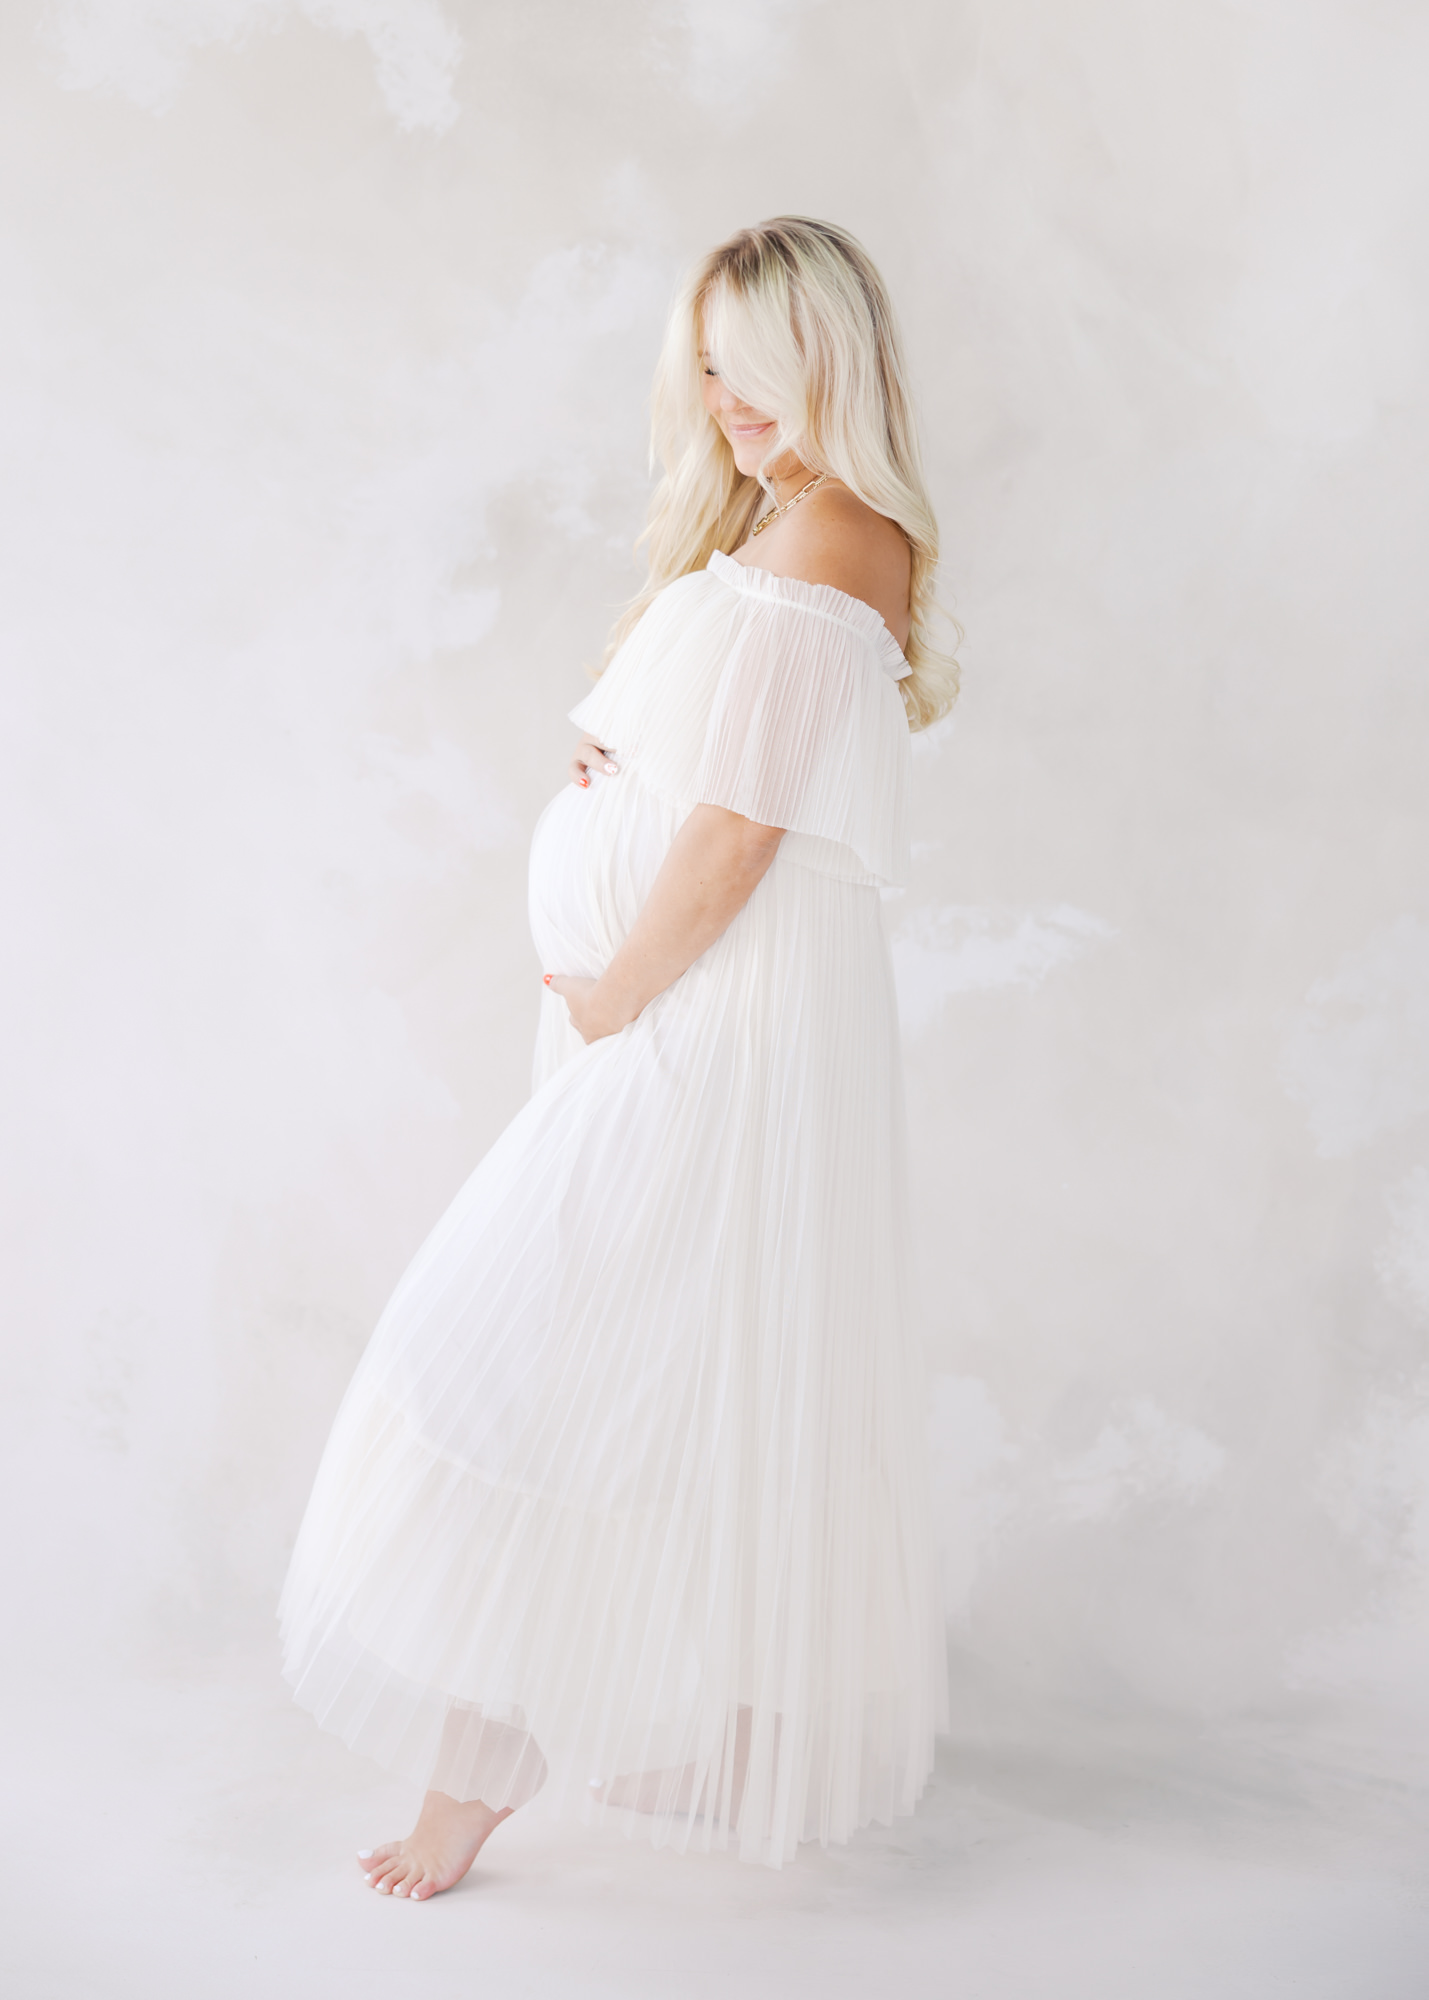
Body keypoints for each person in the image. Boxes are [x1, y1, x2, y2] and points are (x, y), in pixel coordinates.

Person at [280, 215, 956, 1899]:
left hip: (697, 1016)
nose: (727, 401)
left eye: (758, 368)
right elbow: (705, 781)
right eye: (709, 369)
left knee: (544, 1354)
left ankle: (472, 1778)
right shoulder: (785, 530)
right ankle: (509, 1747)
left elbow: (732, 835)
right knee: (588, 1361)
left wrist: (610, 996)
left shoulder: (840, 536)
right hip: (676, 1007)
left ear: (833, 363)